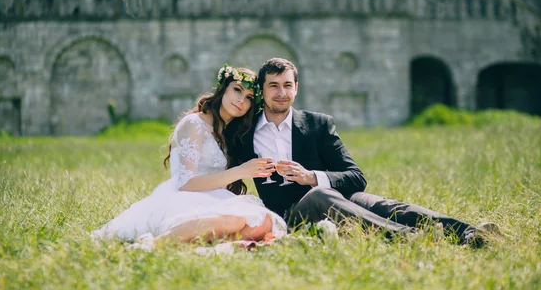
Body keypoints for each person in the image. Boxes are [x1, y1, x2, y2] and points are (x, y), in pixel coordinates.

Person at [228, 58, 499, 247]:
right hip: (290, 216)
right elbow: (224, 171)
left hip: (339, 197)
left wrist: (311, 176)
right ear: (261, 91)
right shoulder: (244, 134)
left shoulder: (318, 124)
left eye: (288, 85)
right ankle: (411, 238)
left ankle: (468, 233)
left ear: (296, 88)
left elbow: (356, 176)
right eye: (273, 86)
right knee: (320, 195)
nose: (281, 92)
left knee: (383, 205)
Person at [91, 65, 287, 244]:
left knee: (264, 221)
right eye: (237, 90)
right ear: (223, 88)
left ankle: (211, 243)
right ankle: (157, 244)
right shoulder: (194, 124)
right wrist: (241, 171)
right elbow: (186, 183)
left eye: (249, 98)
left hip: (213, 196)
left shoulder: (228, 134)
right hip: (185, 195)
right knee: (235, 220)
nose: (241, 100)